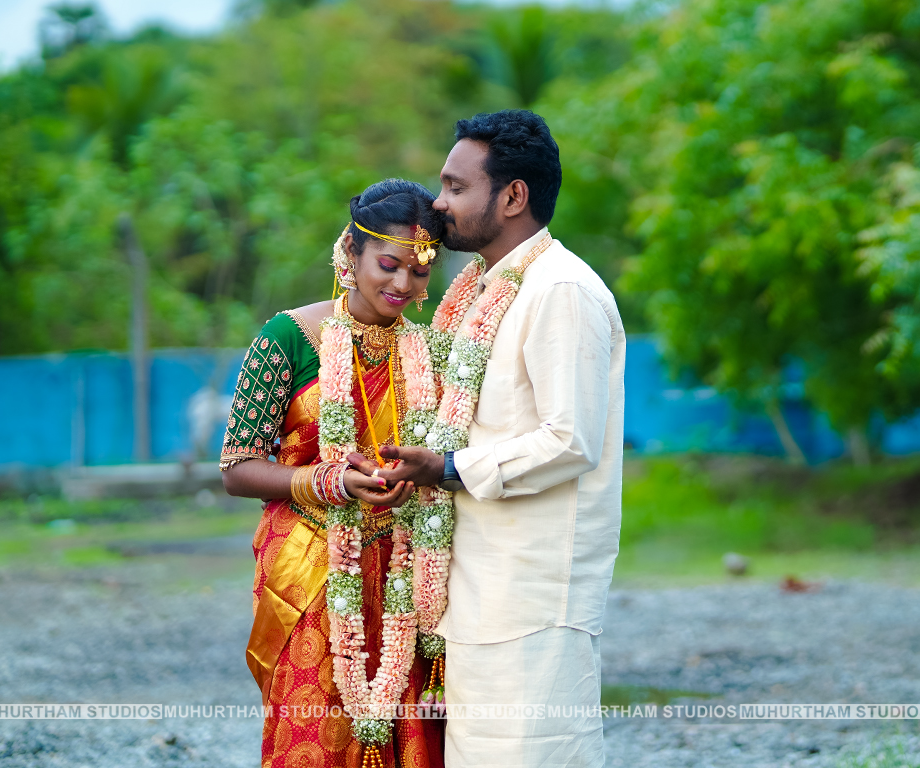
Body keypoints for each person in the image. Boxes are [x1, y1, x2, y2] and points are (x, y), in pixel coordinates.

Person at [346, 110, 626, 767]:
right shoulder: (475, 291)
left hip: (532, 594)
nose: (438, 205)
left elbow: (570, 439)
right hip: (476, 589)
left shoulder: (562, 291)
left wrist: (447, 467)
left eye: (454, 187)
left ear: (513, 196)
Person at [220, 179, 446, 768]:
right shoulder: (289, 337)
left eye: (419, 272)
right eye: (390, 265)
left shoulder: (431, 352)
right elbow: (237, 467)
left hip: (405, 568)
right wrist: (324, 481)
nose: (403, 285)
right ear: (351, 253)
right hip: (310, 565)